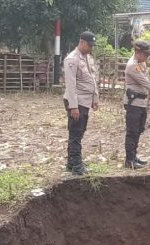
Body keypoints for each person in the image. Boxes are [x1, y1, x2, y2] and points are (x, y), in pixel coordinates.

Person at [123, 40, 150, 170]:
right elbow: (147, 83)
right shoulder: (132, 66)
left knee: (138, 130)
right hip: (133, 103)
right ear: (138, 53)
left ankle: (134, 156)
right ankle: (129, 160)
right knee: (132, 132)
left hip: (141, 103)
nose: (147, 58)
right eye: (145, 55)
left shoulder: (141, 63)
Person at [62, 31, 100, 175]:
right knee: (76, 134)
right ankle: (77, 166)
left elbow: (92, 80)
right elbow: (71, 85)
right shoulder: (72, 59)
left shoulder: (87, 58)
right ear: (82, 42)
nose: (91, 48)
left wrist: (95, 99)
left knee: (79, 132)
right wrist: (73, 107)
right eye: (89, 45)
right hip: (77, 102)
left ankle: (72, 163)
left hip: (85, 102)